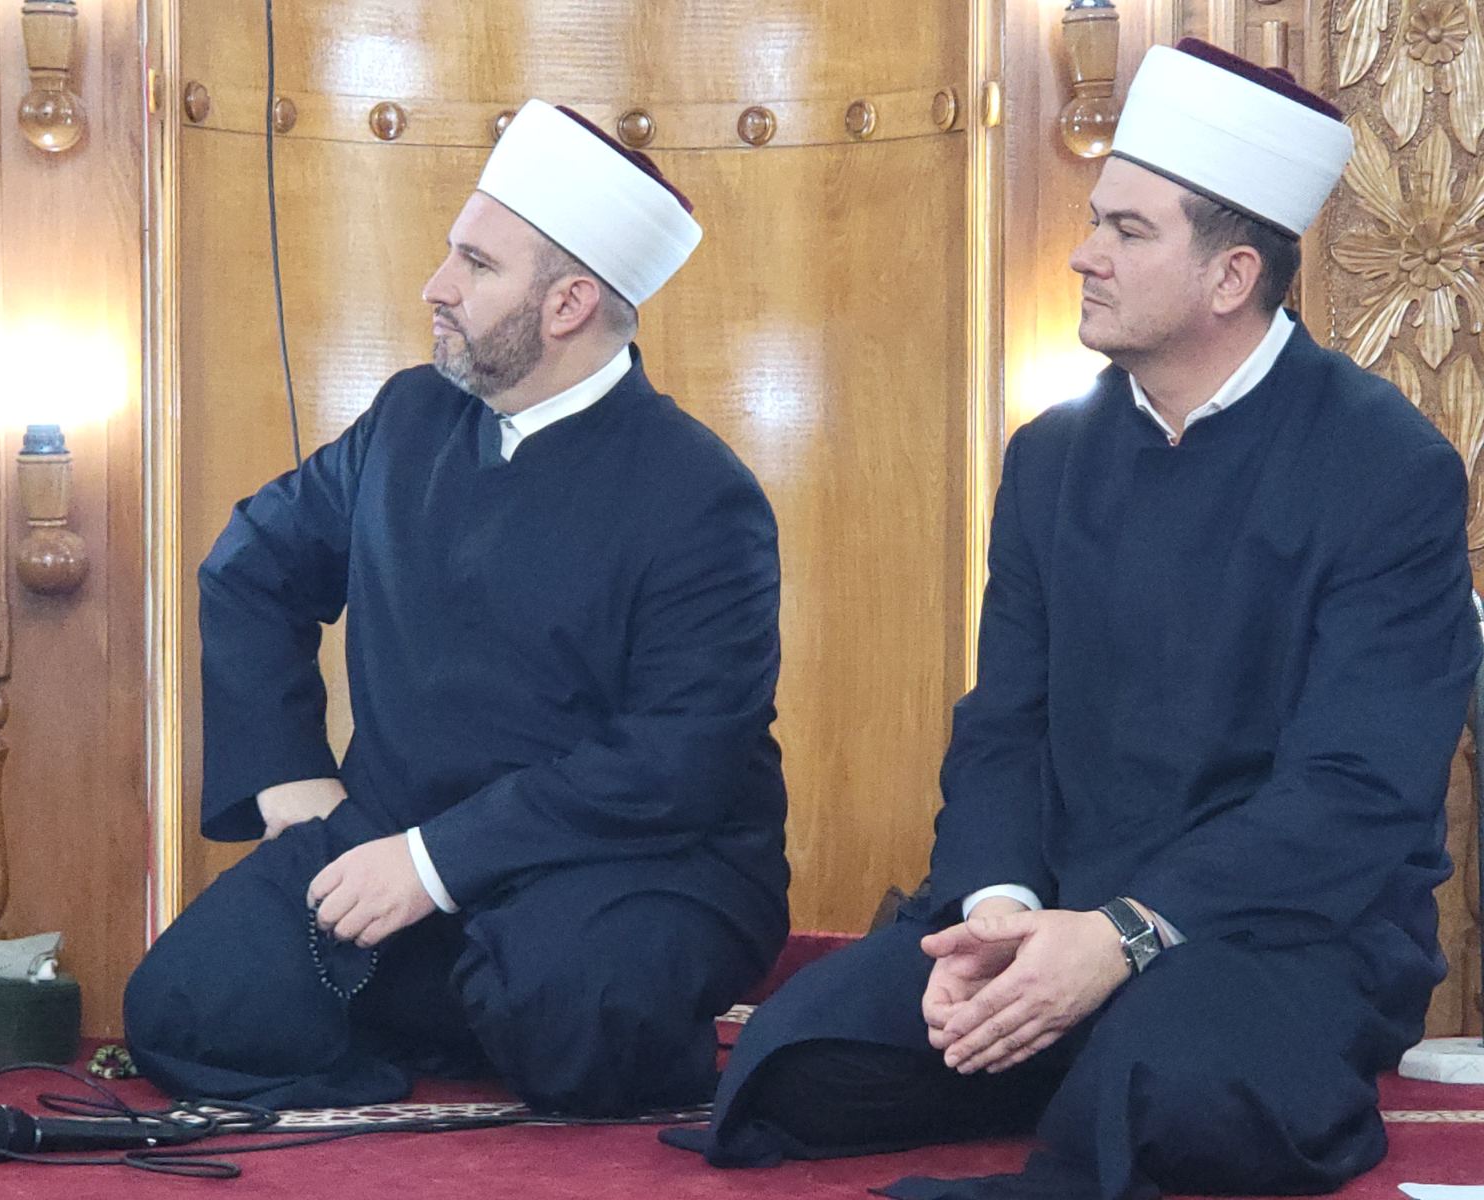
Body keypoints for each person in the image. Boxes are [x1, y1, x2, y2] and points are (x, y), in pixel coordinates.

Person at [662, 39, 1481, 1200]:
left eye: (1126, 232)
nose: (1083, 254)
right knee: (797, 1062)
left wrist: (1119, 939)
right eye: (1097, 221)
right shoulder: (1051, 457)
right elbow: (1004, 725)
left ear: (1230, 276)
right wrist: (999, 914)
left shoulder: (1384, 467)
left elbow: (1354, 794)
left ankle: (1102, 1056)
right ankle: (1065, 1044)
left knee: (1178, 1093)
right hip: (1058, 907)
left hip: (1277, 929)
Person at [123, 99, 790, 1116]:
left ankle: (472, 1003)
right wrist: (288, 777)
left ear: (567, 304)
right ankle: (453, 1006)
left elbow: (672, 763)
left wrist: (434, 867)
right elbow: (252, 564)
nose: (436, 286)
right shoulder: (409, 419)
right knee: (183, 1008)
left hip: (626, 860)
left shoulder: (700, 494)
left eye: (475, 266)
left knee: (575, 1006)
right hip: (390, 837)